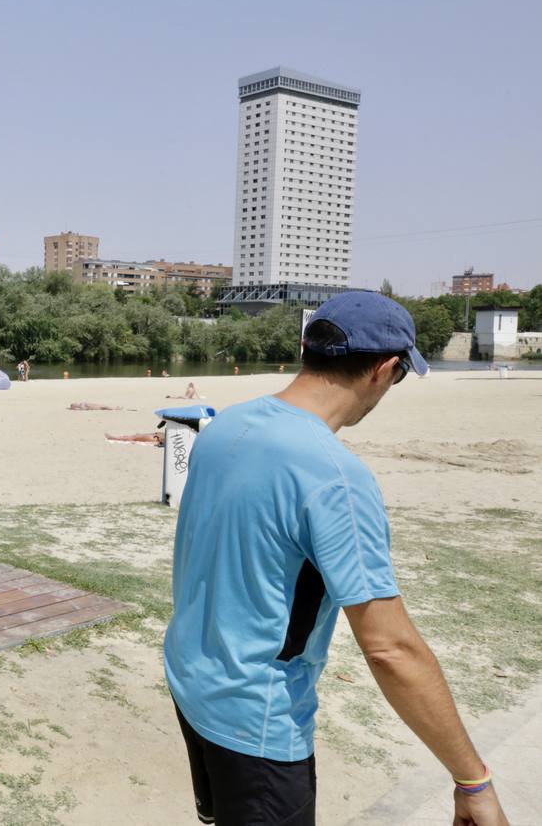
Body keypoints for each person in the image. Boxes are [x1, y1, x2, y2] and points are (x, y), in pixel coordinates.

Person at [163, 292, 507, 826]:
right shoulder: (334, 477)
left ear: (308, 349)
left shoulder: (228, 424)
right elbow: (390, 648)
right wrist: (472, 779)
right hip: (258, 718)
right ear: (385, 370)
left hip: (193, 683)